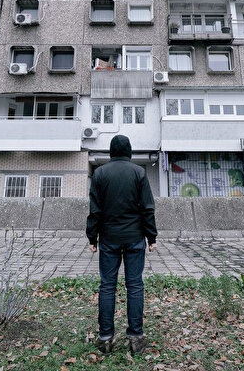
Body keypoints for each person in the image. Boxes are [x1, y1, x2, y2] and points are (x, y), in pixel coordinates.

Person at [86, 135, 157, 355]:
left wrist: (92, 237)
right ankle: (135, 338)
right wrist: (151, 237)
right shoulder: (139, 173)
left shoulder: (99, 173)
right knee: (134, 285)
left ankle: (105, 338)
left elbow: (95, 210)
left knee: (107, 286)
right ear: (129, 151)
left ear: (110, 151)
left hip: (109, 238)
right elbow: (147, 208)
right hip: (135, 237)